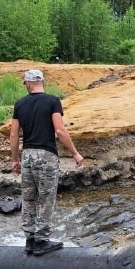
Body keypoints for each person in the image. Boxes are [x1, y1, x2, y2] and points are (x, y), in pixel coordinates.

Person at [10, 69, 84, 256]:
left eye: (25, 83)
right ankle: (41, 241)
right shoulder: (52, 101)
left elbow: (13, 134)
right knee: (46, 198)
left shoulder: (20, 104)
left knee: (28, 198)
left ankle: (30, 240)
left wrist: (15, 159)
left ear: (28, 83)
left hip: (27, 155)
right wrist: (75, 153)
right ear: (42, 81)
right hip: (46, 156)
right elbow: (59, 130)